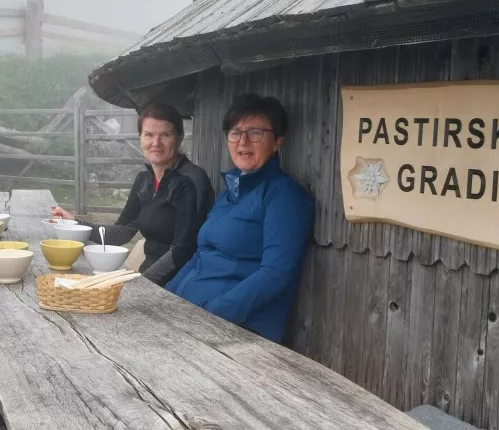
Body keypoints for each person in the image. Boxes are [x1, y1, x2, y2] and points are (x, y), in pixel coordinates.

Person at [165, 94, 313, 343]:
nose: (243, 141)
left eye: (255, 132)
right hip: (192, 318)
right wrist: (167, 298)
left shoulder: (284, 195)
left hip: (238, 332)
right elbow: (200, 255)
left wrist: (212, 314)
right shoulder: (230, 191)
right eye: (235, 133)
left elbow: (275, 273)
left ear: (277, 141)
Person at [52, 103, 214, 286]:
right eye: (149, 135)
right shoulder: (144, 180)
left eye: (166, 135)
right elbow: (123, 231)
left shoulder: (192, 180)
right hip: (151, 275)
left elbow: (183, 250)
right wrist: (76, 223)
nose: (156, 143)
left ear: (179, 138)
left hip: (182, 281)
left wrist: (143, 283)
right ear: (140, 138)